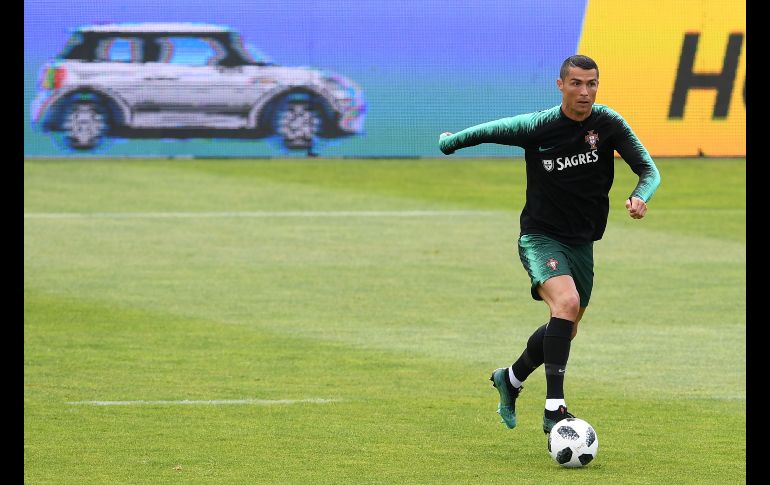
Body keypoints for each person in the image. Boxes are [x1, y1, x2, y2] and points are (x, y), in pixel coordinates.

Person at [438, 55, 661, 434]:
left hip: (582, 242)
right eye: (576, 83)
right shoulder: (538, 126)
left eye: (591, 83)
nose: (585, 92)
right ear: (560, 85)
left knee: (566, 326)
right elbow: (490, 130)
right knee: (567, 304)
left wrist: (641, 196)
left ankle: (510, 378)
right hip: (540, 237)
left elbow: (648, 169)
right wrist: (450, 143)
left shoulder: (607, 123)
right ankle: (554, 408)